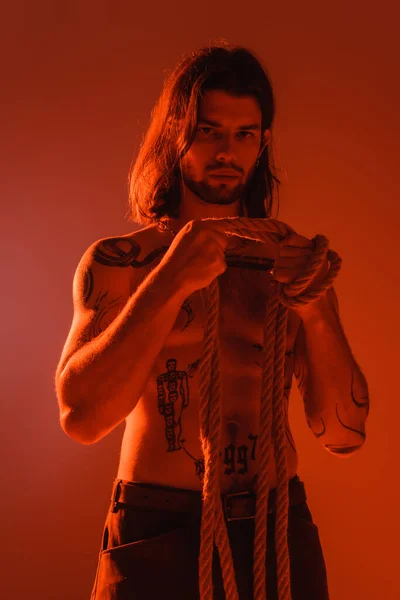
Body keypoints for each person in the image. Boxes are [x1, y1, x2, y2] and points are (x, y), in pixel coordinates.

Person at [55, 42, 369, 600]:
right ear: (177, 134)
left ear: (263, 142)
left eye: (245, 134)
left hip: (277, 526)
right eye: (209, 131)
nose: (228, 150)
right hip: (159, 527)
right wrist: (172, 277)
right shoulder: (121, 262)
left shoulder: (292, 262)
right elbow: (80, 417)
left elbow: (344, 434)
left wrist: (316, 308)